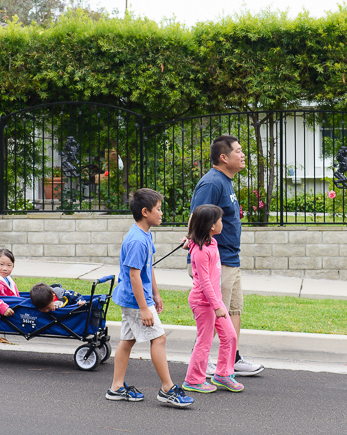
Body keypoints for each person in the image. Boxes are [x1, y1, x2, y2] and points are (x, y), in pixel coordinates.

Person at [106, 188, 194, 408]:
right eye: (158, 209)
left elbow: (147, 268)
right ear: (145, 211)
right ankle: (167, 389)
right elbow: (134, 276)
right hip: (136, 301)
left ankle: (116, 388)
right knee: (159, 338)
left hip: (135, 298)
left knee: (127, 341)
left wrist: (155, 293)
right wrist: (145, 307)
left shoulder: (145, 234)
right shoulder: (137, 240)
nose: (161, 213)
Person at [190, 135, 264, 376]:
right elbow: (196, 219)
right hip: (215, 261)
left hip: (231, 258)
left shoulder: (226, 181)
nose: (243, 155)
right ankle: (200, 361)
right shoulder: (212, 183)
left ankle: (232, 358)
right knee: (213, 313)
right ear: (224, 157)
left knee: (233, 310)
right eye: (239, 151)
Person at [183, 204, 243, 393]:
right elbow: (205, 283)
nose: (222, 223)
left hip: (214, 301)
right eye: (220, 220)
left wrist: (189, 240)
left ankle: (223, 374)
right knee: (205, 340)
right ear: (211, 226)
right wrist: (217, 306)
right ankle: (193, 379)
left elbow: (194, 238)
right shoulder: (201, 252)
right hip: (204, 302)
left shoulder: (210, 243)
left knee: (230, 335)